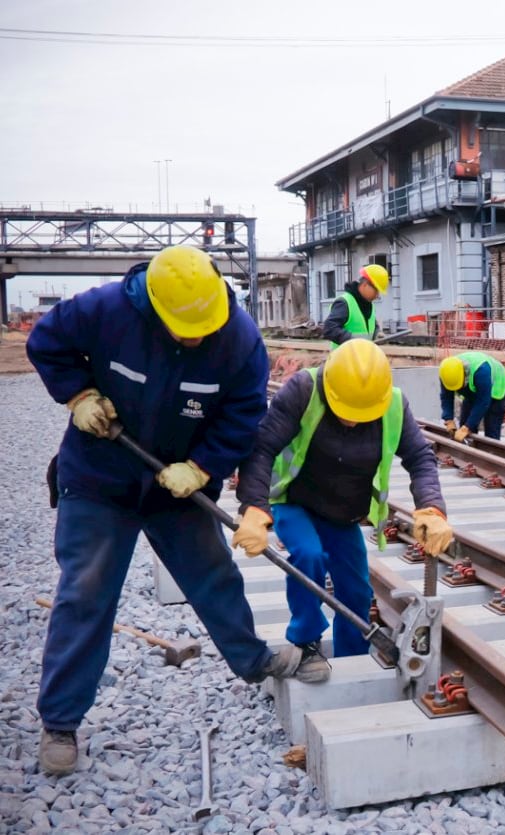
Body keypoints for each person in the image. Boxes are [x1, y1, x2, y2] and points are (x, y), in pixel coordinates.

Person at [26, 245, 305, 776]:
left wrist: (203, 468)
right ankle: (60, 721)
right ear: (153, 305)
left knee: (213, 574)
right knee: (85, 591)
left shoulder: (239, 340)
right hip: (98, 477)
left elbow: (244, 414)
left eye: (204, 327)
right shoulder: (104, 311)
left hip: (177, 485)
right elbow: (46, 341)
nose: (195, 338)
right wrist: (77, 394)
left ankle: (252, 661)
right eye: (184, 328)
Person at [232, 339, 452, 682]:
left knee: (356, 592)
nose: (351, 421)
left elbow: (420, 458)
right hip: (294, 501)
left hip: (343, 513)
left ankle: (352, 659)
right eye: (344, 411)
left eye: (360, 415)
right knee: (309, 556)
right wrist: (254, 508)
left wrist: (432, 508)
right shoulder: (304, 389)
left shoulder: (393, 404)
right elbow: (262, 448)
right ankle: (305, 643)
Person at [439, 351, 505, 441]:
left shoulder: (482, 372)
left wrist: (468, 427)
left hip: (497, 388)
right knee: (464, 424)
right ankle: (469, 451)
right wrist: (448, 419)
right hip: (473, 387)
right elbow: (446, 396)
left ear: (465, 376)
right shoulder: (446, 372)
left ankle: (491, 452)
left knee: (491, 430)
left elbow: (483, 402)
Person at [322, 264, 389, 344]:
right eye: (376, 291)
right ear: (365, 285)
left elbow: (370, 326)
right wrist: (351, 340)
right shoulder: (344, 303)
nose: (377, 295)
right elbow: (329, 328)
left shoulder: (368, 305)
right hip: (344, 356)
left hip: (362, 356)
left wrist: (377, 333)